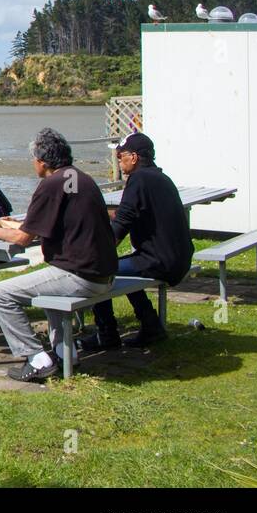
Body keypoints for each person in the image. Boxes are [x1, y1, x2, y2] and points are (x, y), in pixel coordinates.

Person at [0, 128, 118, 382]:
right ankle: (63, 352)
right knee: (47, 286)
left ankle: (36, 358)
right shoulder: (81, 178)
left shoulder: (51, 184)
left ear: (42, 162)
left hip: (81, 276)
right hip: (104, 273)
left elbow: (24, 239)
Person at [81, 133, 191, 351]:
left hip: (159, 260)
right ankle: (151, 325)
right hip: (178, 257)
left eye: (121, 156)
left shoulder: (139, 179)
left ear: (134, 157)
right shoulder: (160, 178)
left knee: (97, 269)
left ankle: (106, 334)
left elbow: (122, 224)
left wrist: (95, 254)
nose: (119, 162)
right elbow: (131, 213)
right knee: (126, 267)